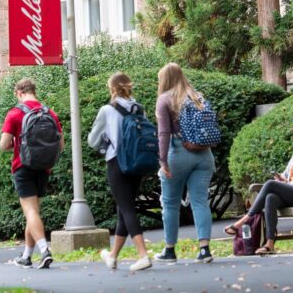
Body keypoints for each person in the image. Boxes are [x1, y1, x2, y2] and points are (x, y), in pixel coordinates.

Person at [226, 121, 293, 254]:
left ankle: (246, 218)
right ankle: (270, 243)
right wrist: (281, 179)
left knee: (270, 184)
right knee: (271, 197)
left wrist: (289, 184)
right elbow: (286, 175)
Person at [87, 72, 152, 271]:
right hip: (137, 162)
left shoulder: (107, 110)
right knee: (123, 209)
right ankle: (113, 256)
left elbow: (92, 140)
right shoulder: (139, 108)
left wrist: (104, 144)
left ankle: (143, 255)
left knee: (127, 208)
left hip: (117, 162)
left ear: (112, 88)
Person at [154, 62, 215, 264]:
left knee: (170, 203)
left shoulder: (165, 100)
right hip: (204, 154)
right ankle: (205, 250)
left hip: (178, 152)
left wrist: (163, 162)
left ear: (165, 79)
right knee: (200, 201)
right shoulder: (197, 96)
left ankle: (170, 250)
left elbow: (163, 133)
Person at [1, 77, 64, 269]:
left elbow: (4, 145)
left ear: (19, 93)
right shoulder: (49, 113)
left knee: (30, 211)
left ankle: (45, 250)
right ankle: (26, 256)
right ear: (33, 91)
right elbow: (61, 144)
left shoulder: (14, 114)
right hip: (43, 167)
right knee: (33, 212)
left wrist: (18, 145)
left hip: (23, 167)